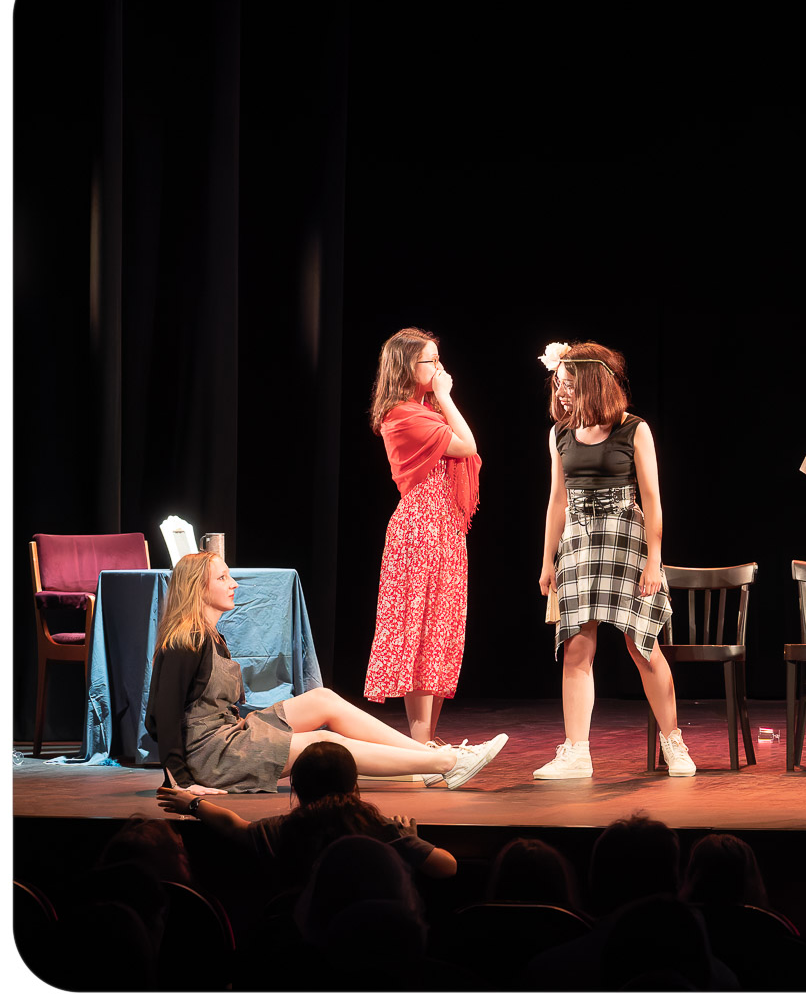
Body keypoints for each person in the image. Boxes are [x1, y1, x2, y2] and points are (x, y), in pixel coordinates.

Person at [146, 551, 504, 796]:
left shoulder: (210, 636)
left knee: (323, 699)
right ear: (198, 588)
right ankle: (447, 762)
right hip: (212, 757)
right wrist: (178, 778)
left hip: (229, 733)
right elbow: (160, 716)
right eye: (223, 577)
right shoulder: (184, 641)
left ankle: (424, 757)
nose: (233, 583)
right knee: (323, 744)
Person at [534, 341, 693, 779]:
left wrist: (654, 562)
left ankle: (674, 743)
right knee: (576, 647)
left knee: (642, 645)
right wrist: (548, 560)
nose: (562, 392)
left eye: (569, 383)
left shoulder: (633, 429)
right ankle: (576, 752)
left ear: (590, 382)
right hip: (580, 542)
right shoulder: (560, 434)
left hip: (626, 538)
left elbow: (653, 502)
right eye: (558, 383)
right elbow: (557, 501)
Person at [363, 327, 482, 748]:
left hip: (444, 529)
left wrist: (441, 399)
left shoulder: (423, 411)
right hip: (420, 531)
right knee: (421, 632)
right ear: (406, 367)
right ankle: (418, 747)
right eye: (430, 361)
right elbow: (467, 445)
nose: (439, 368)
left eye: (438, 358)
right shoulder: (403, 415)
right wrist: (447, 397)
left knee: (441, 634)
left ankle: (427, 745)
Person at [156, 740, 459, 886]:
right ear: (354, 785)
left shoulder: (286, 829)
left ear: (297, 788)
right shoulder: (380, 829)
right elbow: (448, 866)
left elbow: (235, 826)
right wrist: (409, 841)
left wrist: (192, 804)